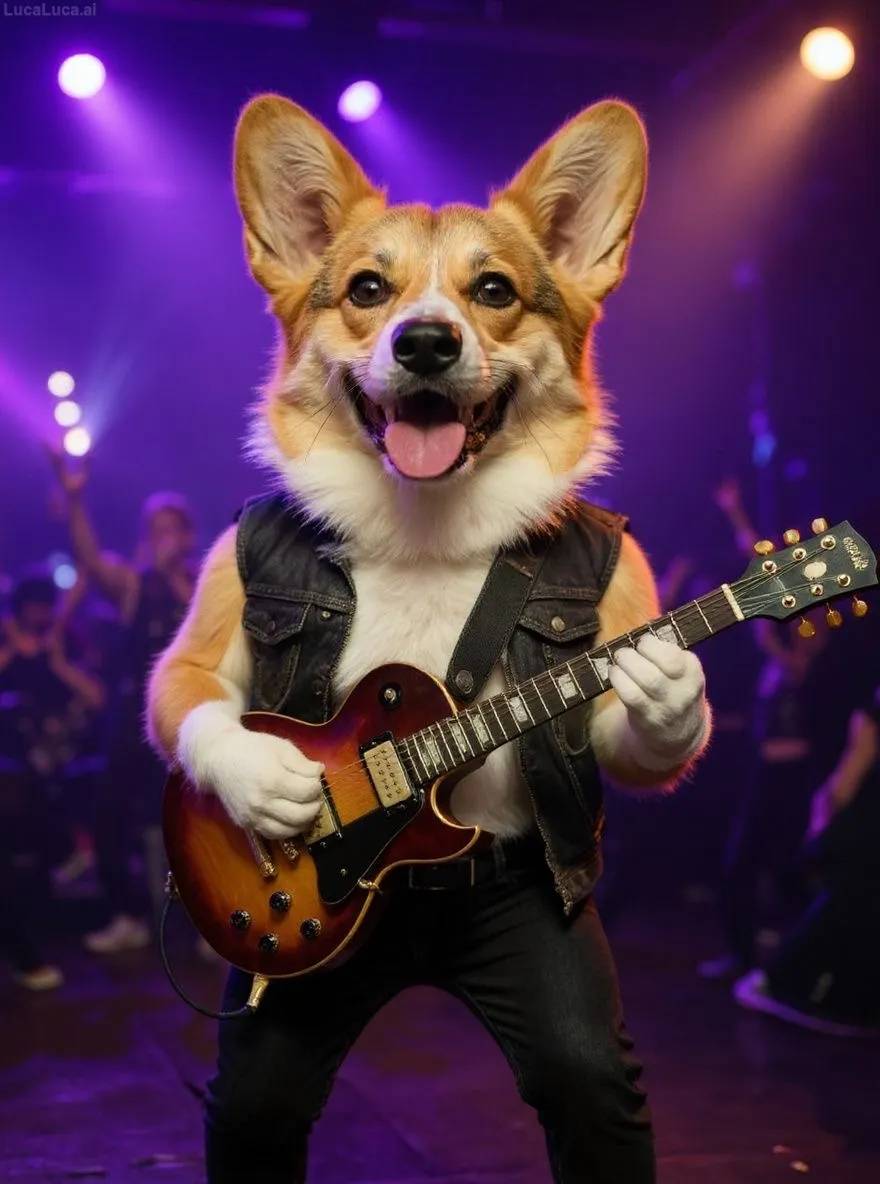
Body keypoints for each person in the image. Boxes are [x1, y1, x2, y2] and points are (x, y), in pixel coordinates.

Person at [50, 451, 196, 952]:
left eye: (171, 526)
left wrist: (176, 573)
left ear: (187, 533)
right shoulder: (134, 582)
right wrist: (74, 499)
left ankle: (210, 923)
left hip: (187, 718)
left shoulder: (200, 582)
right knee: (108, 813)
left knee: (196, 820)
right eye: (155, 527)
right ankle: (128, 914)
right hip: (132, 717)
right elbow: (89, 557)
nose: (163, 535)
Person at [700, 479, 826, 978]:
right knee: (746, 865)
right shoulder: (784, 607)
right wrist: (734, 512)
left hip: (794, 768)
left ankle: (792, 967)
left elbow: (800, 669)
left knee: (778, 869)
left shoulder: (813, 616)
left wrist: (767, 643)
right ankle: (748, 959)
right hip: (766, 759)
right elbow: (760, 565)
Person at [734, 689, 880, 1035]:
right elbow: (849, 774)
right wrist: (824, 820)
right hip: (862, 833)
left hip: (864, 833)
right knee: (844, 911)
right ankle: (781, 982)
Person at [0, 572, 105, 989]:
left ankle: (68, 851)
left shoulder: (67, 642)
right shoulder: (7, 644)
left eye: (47, 606)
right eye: (34, 607)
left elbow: (96, 698)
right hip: (16, 758)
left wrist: (58, 662)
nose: (41, 615)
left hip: (64, 751)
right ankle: (63, 851)